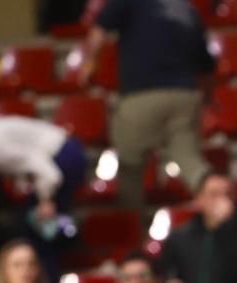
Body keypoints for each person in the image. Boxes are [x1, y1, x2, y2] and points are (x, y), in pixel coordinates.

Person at [84, 0, 213, 212]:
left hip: (142, 94)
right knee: (189, 160)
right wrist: (208, 98)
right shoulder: (187, 9)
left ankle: (132, 228)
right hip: (185, 95)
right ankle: (219, 207)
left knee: (130, 165)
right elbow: (206, 66)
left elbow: (99, 31)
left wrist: (89, 66)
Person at [0, 110, 89, 281]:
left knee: (40, 235)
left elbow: (46, 171)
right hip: (67, 152)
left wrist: (46, 200)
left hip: (62, 162)